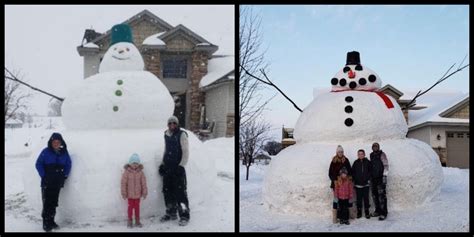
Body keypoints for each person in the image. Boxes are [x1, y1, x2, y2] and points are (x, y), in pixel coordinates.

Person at [35, 133, 72, 232]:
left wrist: (65, 175)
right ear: (51, 142)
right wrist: (44, 175)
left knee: (54, 202)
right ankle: (46, 223)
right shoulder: (46, 152)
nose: (56, 143)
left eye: (58, 142)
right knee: (47, 203)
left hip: (57, 182)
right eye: (54, 142)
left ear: (61, 142)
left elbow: (68, 163)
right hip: (47, 181)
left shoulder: (64, 152)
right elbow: (38, 164)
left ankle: (52, 221)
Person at [158, 115, 190, 226]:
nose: (172, 125)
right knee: (167, 191)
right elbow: (166, 150)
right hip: (168, 168)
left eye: (174, 123)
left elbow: (185, 152)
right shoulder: (166, 134)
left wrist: (181, 166)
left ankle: (184, 215)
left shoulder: (182, 135)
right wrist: (163, 164)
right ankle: (171, 212)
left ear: (177, 124)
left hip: (177, 168)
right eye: (170, 123)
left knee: (180, 193)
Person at [121, 153, 148, 228]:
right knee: (130, 208)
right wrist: (124, 193)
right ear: (130, 163)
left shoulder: (141, 173)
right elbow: (123, 183)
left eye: (136, 163)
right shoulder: (126, 172)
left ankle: (137, 221)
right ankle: (129, 220)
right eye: (133, 163)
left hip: (137, 196)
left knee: (137, 208)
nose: (135, 165)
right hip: (130, 196)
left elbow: (143, 183)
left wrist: (144, 192)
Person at [328, 145, 352, 223]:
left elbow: (350, 171)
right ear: (336, 152)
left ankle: (345, 217)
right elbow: (330, 173)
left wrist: (348, 179)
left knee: (344, 202)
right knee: (336, 201)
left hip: (345, 183)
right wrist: (335, 180)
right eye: (339, 152)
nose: (340, 153)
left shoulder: (346, 160)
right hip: (336, 183)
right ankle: (336, 217)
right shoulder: (334, 161)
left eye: (341, 152)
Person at [369, 142, 389, 220]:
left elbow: (386, 165)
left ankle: (384, 213)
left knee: (382, 196)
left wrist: (384, 175)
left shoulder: (382, 154)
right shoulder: (371, 155)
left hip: (380, 178)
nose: (375, 147)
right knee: (375, 195)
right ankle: (377, 211)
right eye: (373, 146)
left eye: (376, 146)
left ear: (378, 147)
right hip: (373, 179)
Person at [351, 149, 372, 219]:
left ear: (364, 154)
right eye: (359, 154)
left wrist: (368, 179)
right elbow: (352, 172)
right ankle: (359, 212)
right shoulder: (355, 163)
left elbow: (370, 171)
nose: (360, 155)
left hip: (366, 184)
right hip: (358, 184)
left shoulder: (368, 162)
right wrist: (354, 180)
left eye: (362, 154)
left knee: (366, 198)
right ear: (357, 155)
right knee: (359, 199)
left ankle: (367, 212)